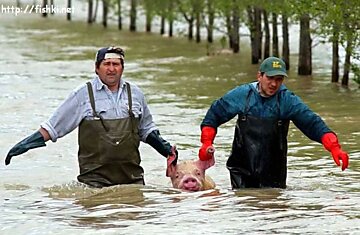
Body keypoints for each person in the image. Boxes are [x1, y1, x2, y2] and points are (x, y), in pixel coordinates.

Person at [5, 46, 177, 188]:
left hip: (132, 180)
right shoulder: (82, 94)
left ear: (122, 68)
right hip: (94, 183)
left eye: (116, 64)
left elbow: (147, 130)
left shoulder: (136, 94)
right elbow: (54, 128)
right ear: (96, 68)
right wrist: (24, 145)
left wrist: (168, 151)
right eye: (106, 64)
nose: (111, 69)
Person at [198, 56, 349, 189]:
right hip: (242, 169)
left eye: (279, 79)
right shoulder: (242, 95)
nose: (274, 84)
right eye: (270, 78)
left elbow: (312, 123)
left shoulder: (287, 100)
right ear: (259, 76)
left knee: (274, 212)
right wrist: (206, 142)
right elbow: (214, 115)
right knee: (244, 211)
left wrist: (334, 147)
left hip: (274, 171)